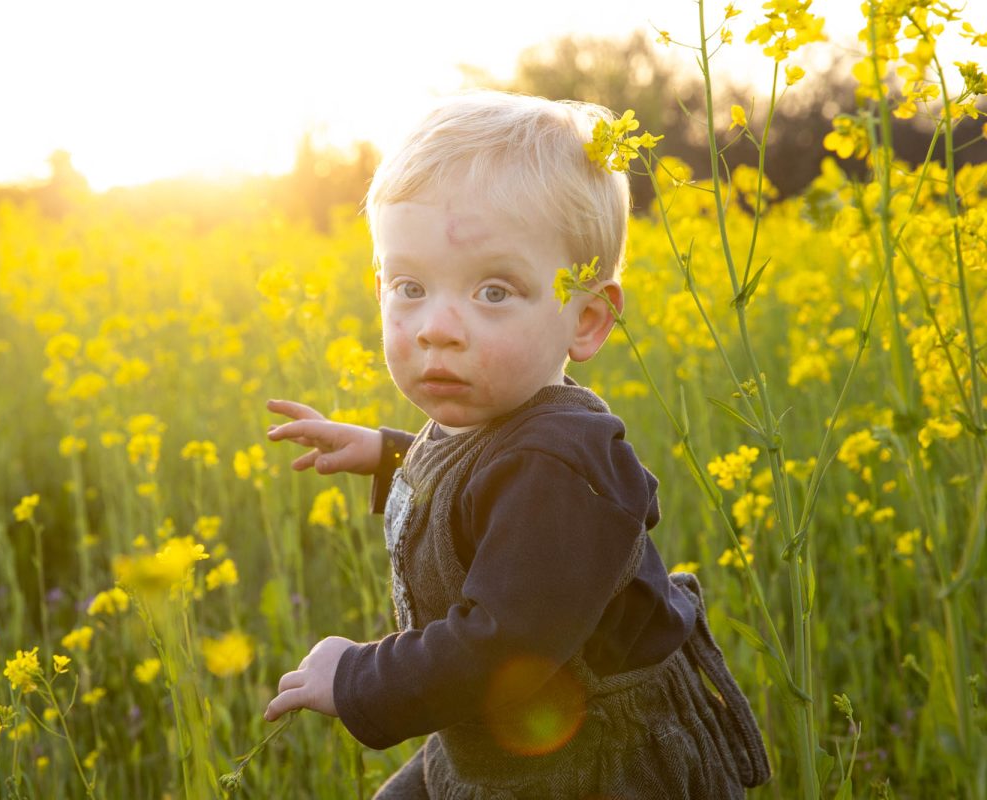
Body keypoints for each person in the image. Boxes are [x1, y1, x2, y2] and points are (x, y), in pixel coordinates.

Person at [263, 90, 771, 799]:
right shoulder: (506, 427)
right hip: (498, 736)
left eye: (494, 292)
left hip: (592, 764)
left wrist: (356, 677)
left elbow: (506, 648)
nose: (438, 326)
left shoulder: (560, 462)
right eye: (410, 287)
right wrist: (390, 453)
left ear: (586, 319)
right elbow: (482, 482)